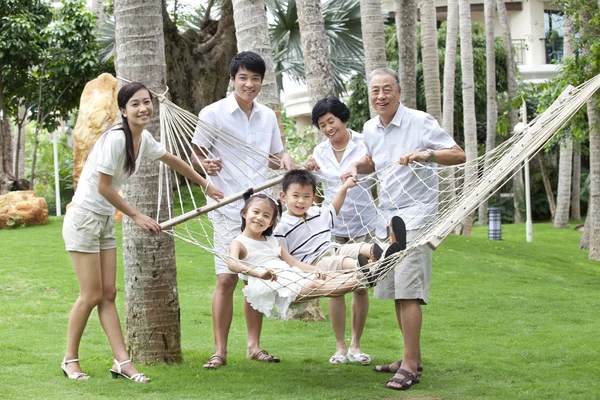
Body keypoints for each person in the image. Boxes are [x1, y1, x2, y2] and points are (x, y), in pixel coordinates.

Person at [61, 82, 224, 382]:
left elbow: (172, 159)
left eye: (147, 102)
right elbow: (103, 187)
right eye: (135, 104)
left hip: (103, 220)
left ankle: (122, 363)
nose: (143, 108)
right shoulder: (115, 140)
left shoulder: (143, 138)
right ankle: (70, 360)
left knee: (108, 294)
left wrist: (205, 183)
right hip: (83, 219)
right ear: (123, 110)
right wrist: (136, 215)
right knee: (91, 294)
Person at [343, 68, 466, 391]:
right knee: (397, 290)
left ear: (399, 92)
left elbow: (458, 153)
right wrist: (357, 166)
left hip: (418, 215)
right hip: (388, 218)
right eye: (375, 91)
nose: (380, 96)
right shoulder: (370, 127)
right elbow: (374, 160)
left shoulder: (420, 122)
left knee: (409, 290)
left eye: (387, 89)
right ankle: (413, 357)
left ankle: (409, 366)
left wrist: (425, 154)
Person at [191, 51, 295, 369]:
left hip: (260, 210)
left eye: (255, 79)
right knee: (227, 278)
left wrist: (287, 160)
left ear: (261, 83)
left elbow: (277, 156)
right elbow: (194, 152)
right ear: (232, 80)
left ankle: (254, 346)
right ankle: (219, 351)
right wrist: (204, 164)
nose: (249, 84)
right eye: (243, 78)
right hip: (226, 206)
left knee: (257, 279)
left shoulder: (267, 116)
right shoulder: (213, 113)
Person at [274, 170, 403, 364]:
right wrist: (307, 271)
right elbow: (286, 260)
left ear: (313, 198)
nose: (301, 201)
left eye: (306, 197)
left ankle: (388, 249)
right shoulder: (281, 227)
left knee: (358, 248)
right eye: (296, 196)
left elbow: (334, 207)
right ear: (283, 196)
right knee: (340, 267)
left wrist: (344, 187)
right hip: (316, 264)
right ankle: (341, 346)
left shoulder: (317, 213)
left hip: (335, 250)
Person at [303, 97, 386, 366]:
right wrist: (308, 168)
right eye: (322, 124)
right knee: (334, 288)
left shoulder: (365, 144)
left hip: (364, 226)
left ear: (343, 119)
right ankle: (339, 347)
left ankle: (356, 345)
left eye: (331, 122)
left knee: (361, 287)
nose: (328, 128)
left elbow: (378, 167)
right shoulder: (319, 152)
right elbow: (311, 192)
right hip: (331, 228)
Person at [228, 192, 396, 320]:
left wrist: (314, 269)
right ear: (244, 213)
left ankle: (372, 271)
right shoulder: (239, 242)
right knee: (321, 284)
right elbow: (232, 264)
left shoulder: (272, 241)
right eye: (255, 212)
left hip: (292, 275)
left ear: (271, 223)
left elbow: (293, 262)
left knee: (325, 279)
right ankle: (370, 272)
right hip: (275, 284)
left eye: (266, 216)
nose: (259, 218)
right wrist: (259, 273)